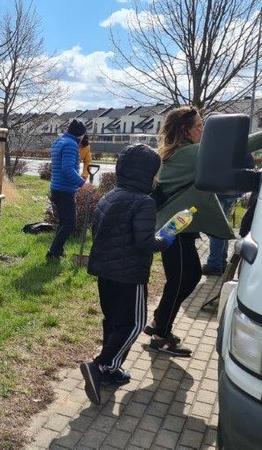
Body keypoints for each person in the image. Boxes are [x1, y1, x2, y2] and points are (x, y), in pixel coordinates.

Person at [143, 106, 239, 356]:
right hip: (174, 228)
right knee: (183, 278)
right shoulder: (190, 153)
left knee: (186, 276)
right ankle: (161, 335)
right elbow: (233, 149)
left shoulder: (178, 152)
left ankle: (159, 322)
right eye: (198, 126)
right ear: (185, 130)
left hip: (175, 227)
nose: (203, 130)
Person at [80, 144, 172, 405]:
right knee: (133, 324)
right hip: (129, 275)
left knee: (113, 321)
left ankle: (111, 370)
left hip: (105, 272)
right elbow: (144, 243)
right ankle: (100, 365)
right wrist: (165, 239)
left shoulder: (110, 196)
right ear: (148, 174)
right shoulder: (144, 202)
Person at [202, 154, 255, 276]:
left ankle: (215, 264)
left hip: (219, 191)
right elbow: (249, 167)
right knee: (223, 227)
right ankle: (221, 262)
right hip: (233, 191)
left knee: (217, 229)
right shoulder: (244, 148)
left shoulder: (221, 146)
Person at [47, 119, 93, 260]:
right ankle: (53, 252)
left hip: (56, 187)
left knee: (63, 222)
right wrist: (82, 184)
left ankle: (58, 251)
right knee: (69, 225)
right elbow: (67, 169)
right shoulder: (71, 144)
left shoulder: (59, 141)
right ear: (81, 134)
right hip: (65, 190)